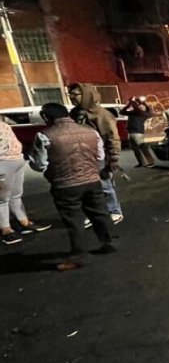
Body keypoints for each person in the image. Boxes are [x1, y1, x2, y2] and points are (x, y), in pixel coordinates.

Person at [28, 103, 115, 269]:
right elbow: (100, 157)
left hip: (65, 184)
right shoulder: (91, 131)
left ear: (46, 117)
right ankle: (109, 243)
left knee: (74, 220)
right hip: (92, 181)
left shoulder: (45, 135)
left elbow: (39, 165)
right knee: (100, 213)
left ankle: (79, 256)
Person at [68, 83, 123, 224]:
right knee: (87, 188)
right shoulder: (74, 114)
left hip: (99, 157)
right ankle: (94, 212)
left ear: (86, 95)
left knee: (105, 185)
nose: (72, 97)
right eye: (70, 94)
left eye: (75, 94)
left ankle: (114, 210)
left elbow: (112, 137)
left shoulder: (101, 114)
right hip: (80, 157)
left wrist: (113, 158)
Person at [1, 119, 51, 245]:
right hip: (2, 163)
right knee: (2, 199)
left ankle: (23, 222)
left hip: (17, 159)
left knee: (16, 194)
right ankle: (6, 229)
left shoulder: (4, 125)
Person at [120, 96, 155, 167]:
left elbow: (135, 107)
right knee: (135, 149)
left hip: (137, 132)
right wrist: (129, 104)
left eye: (142, 106)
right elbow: (122, 112)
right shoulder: (134, 112)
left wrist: (131, 101)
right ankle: (141, 163)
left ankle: (151, 162)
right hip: (131, 132)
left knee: (142, 147)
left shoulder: (141, 113)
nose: (141, 107)